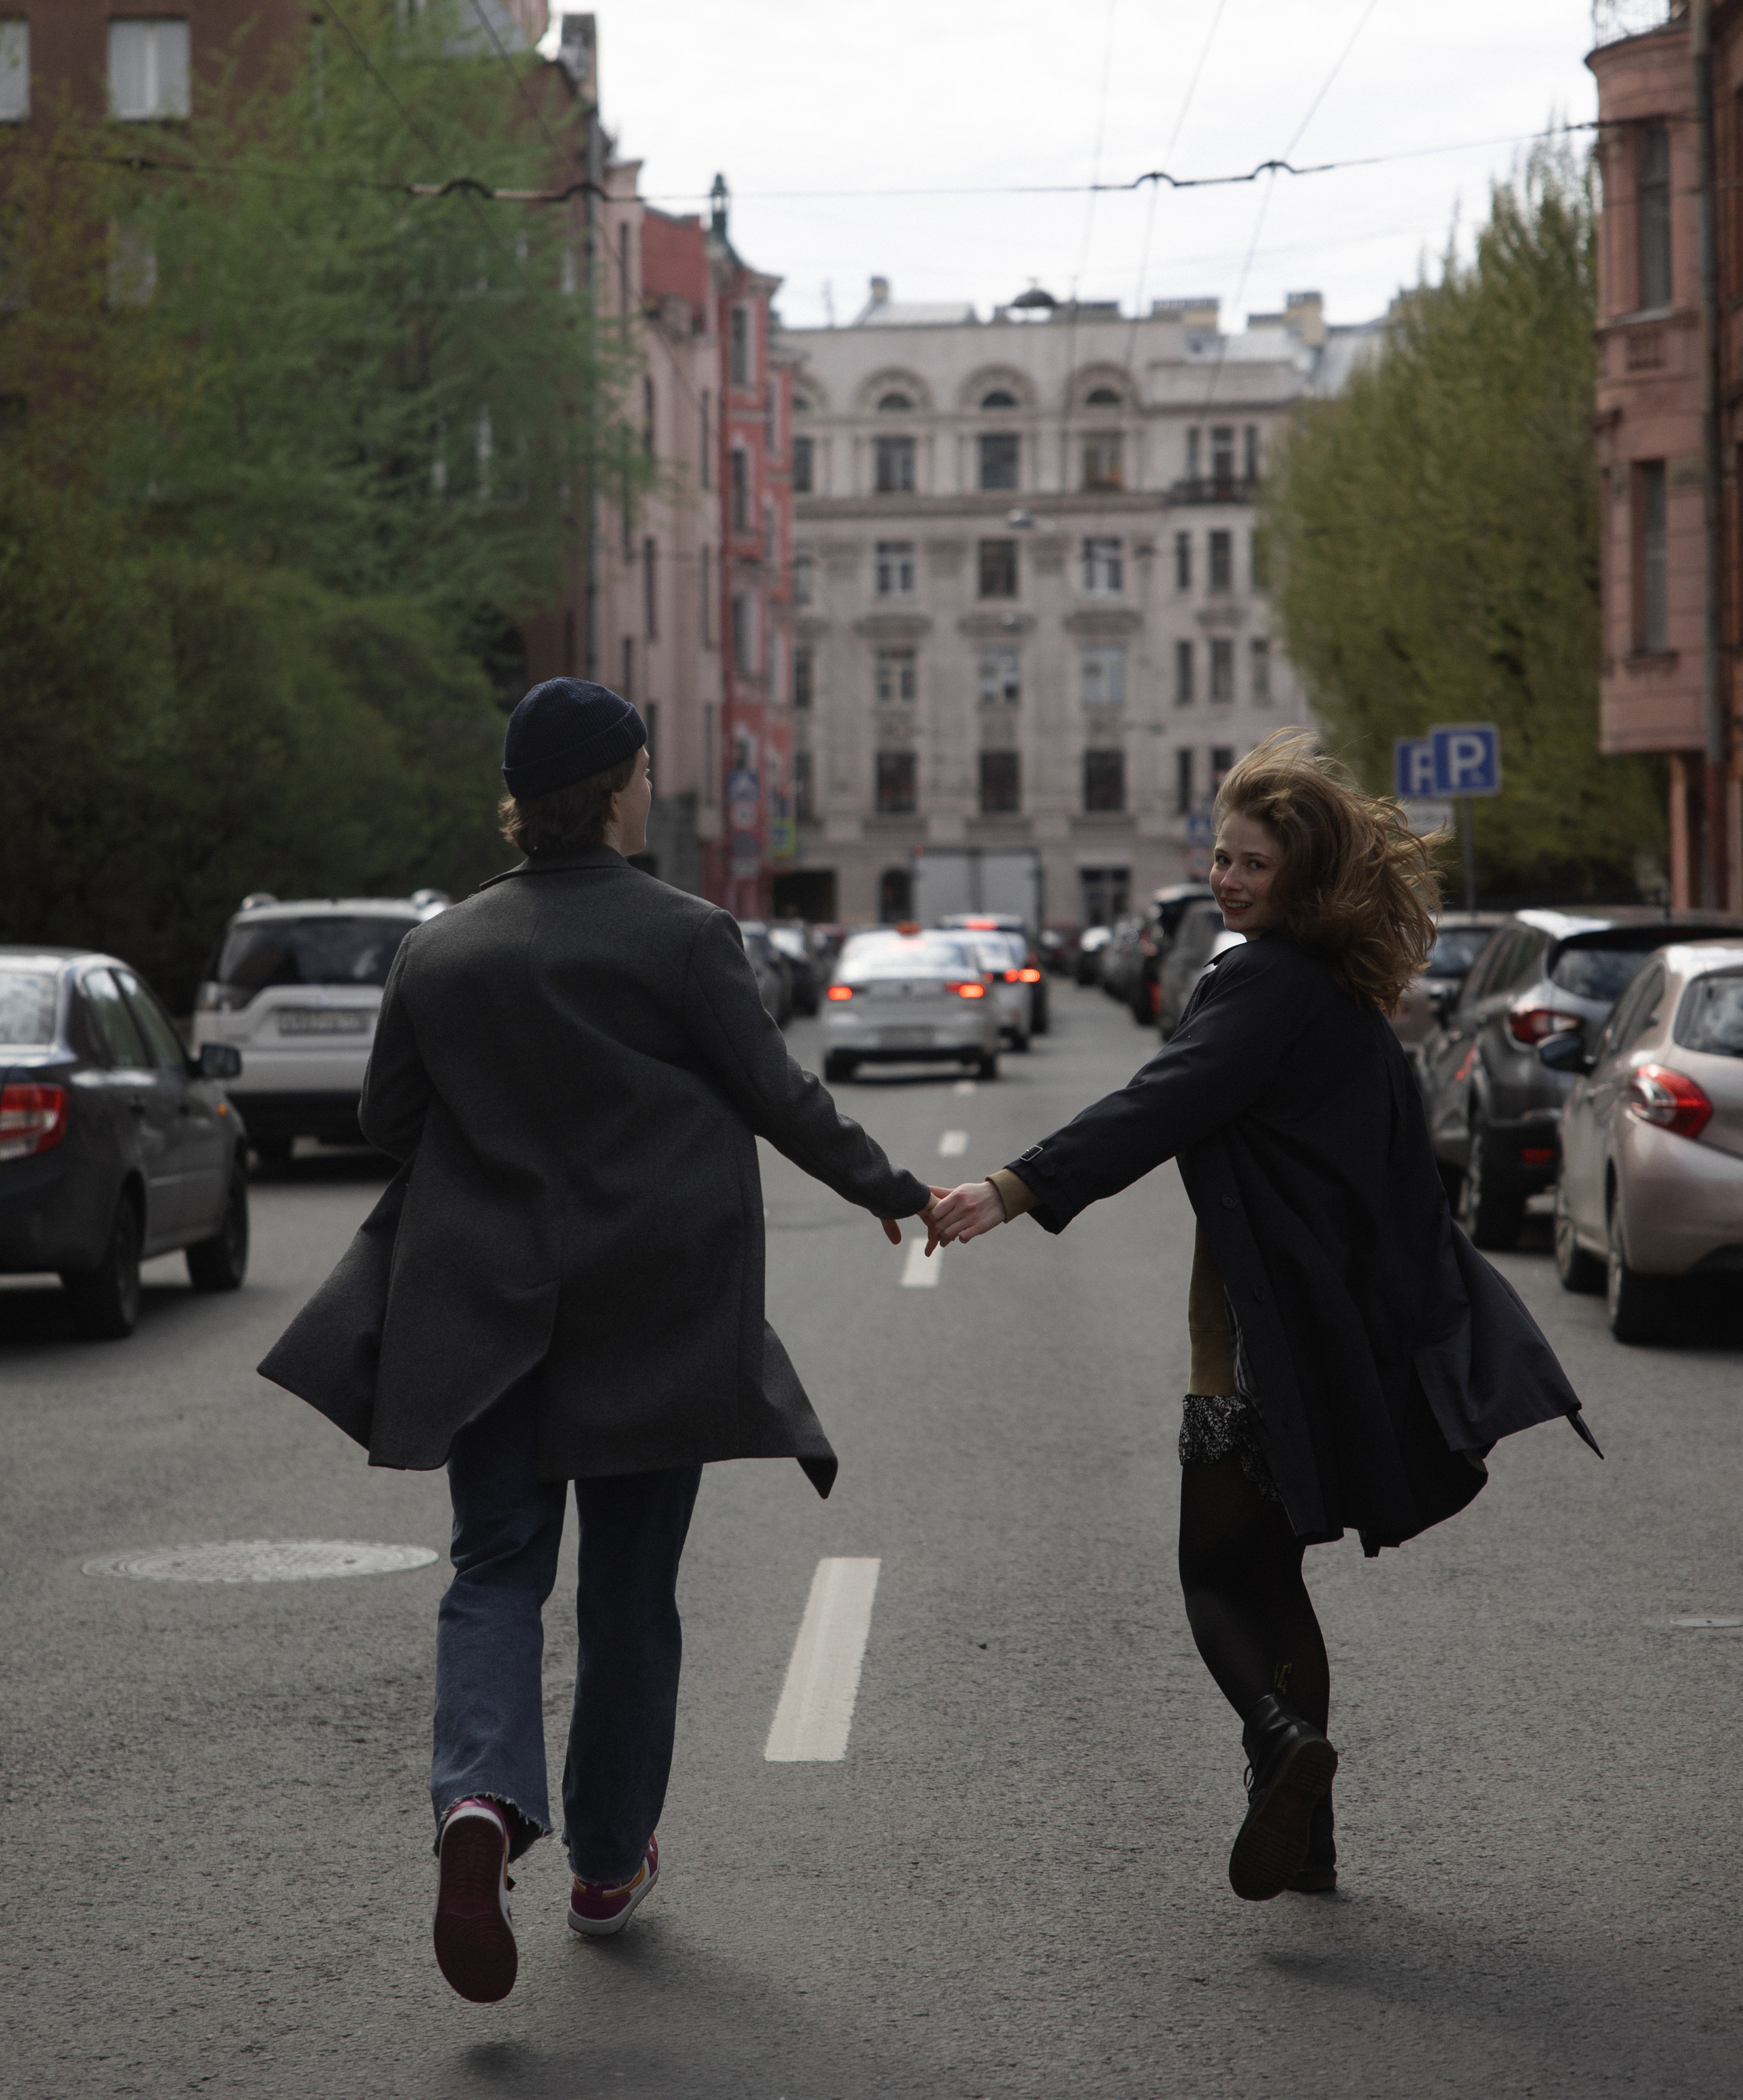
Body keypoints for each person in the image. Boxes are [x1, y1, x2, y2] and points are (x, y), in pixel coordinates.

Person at [260, 677, 936, 2002]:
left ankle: (479, 1798)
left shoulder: (439, 950)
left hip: (483, 1314)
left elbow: (390, 1114)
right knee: (630, 1595)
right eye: (638, 771)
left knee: (496, 1564)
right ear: (619, 787)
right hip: (654, 1311)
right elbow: (776, 1096)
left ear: (523, 803)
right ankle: (608, 1862)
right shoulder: (683, 937)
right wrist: (892, 1193)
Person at [924, 730, 1596, 1902]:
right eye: (1221, 857)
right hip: (1329, 1327)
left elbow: (1164, 1100)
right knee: (1276, 1577)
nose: (1228, 878)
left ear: (1304, 875)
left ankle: (1278, 1746)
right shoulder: (1343, 993)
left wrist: (1010, 1189)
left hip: (1256, 1343)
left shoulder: (1260, 985)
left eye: (1251, 863)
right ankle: (1314, 1836)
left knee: (1215, 1574)